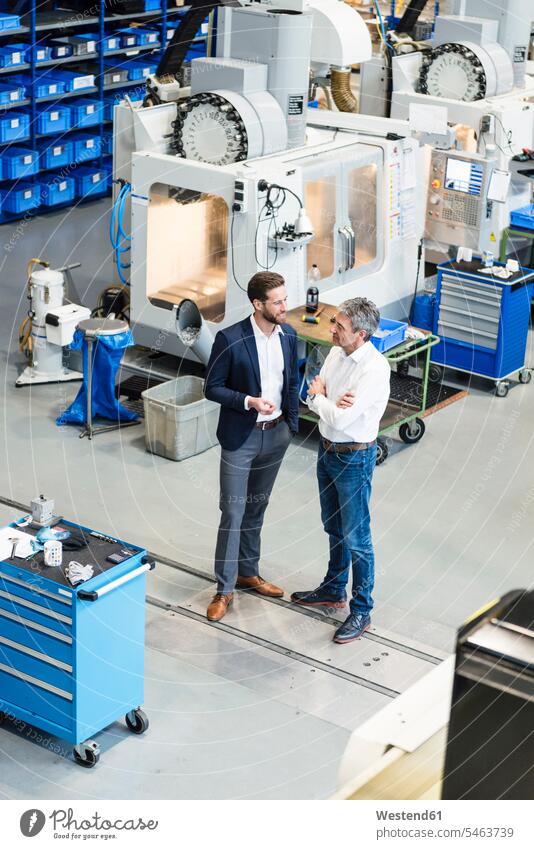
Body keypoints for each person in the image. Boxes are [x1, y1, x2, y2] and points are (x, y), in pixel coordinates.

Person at [291, 298, 390, 644]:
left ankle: (362, 609)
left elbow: (338, 414)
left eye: (340, 327)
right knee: (333, 525)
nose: (332, 329)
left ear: (360, 334)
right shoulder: (336, 353)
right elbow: (320, 393)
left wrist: (321, 399)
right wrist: (326, 399)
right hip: (327, 449)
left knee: (357, 538)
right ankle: (334, 589)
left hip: (354, 458)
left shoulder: (374, 371)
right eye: (334, 321)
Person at [204, 271, 299, 622]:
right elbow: (211, 387)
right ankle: (224, 589)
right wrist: (248, 401)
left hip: (276, 436)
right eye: (277, 302)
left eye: (285, 299)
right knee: (233, 512)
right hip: (241, 437)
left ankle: (248, 572)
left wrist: (291, 425)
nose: (284, 307)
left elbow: (291, 382)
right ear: (257, 304)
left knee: (257, 508)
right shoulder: (230, 339)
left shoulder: (288, 335)